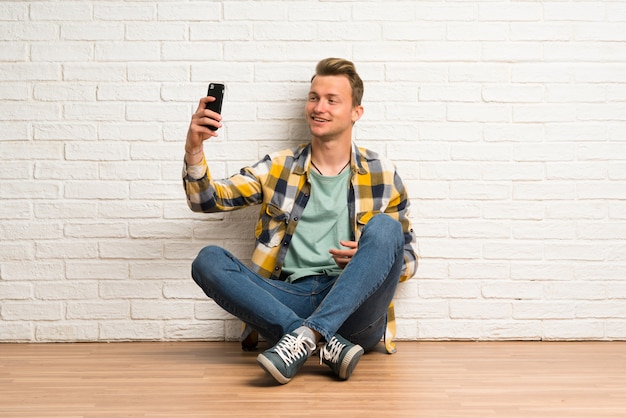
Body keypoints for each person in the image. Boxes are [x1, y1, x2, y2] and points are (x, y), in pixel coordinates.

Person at [182, 57, 418, 385]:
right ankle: (316, 340)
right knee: (207, 261)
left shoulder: (384, 174)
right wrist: (194, 148)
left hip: (354, 309)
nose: (319, 107)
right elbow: (206, 200)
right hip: (288, 299)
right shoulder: (279, 167)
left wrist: (366, 260)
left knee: (385, 228)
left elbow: (408, 258)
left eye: (332, 100)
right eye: (314, 97)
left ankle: (304, 337)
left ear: (356, 112)